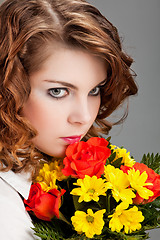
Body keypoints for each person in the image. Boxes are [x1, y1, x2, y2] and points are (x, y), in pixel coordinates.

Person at [0, 0, 138, 239]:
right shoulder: (5, 212)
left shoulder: (54, 175)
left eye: (94, 90)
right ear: (7, 86)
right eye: (58, 91)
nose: (84, 117)